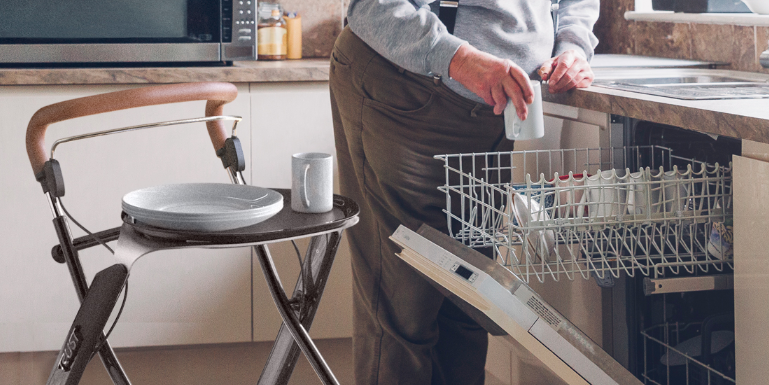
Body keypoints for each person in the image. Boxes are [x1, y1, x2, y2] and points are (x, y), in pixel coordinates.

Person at [329, 0, 599, 383]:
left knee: (468, 302)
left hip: (495, 109)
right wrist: (456, 57)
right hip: (405, 89)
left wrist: (572, 45)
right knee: (403, 308)